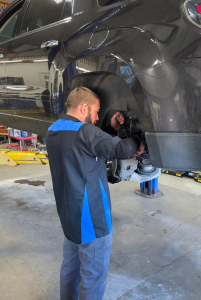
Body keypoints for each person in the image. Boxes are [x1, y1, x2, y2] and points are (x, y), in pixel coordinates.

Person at [46, 86, 145, 300]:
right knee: (93, 277)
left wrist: (109, 128)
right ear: (84, 108)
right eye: (96, 111)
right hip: (92, 220)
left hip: (70, 218)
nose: (98, 116)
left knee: (70, 269)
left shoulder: (54, 130)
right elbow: (119, 149)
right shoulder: (85, 132)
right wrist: (139, 140)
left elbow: (89, 147)